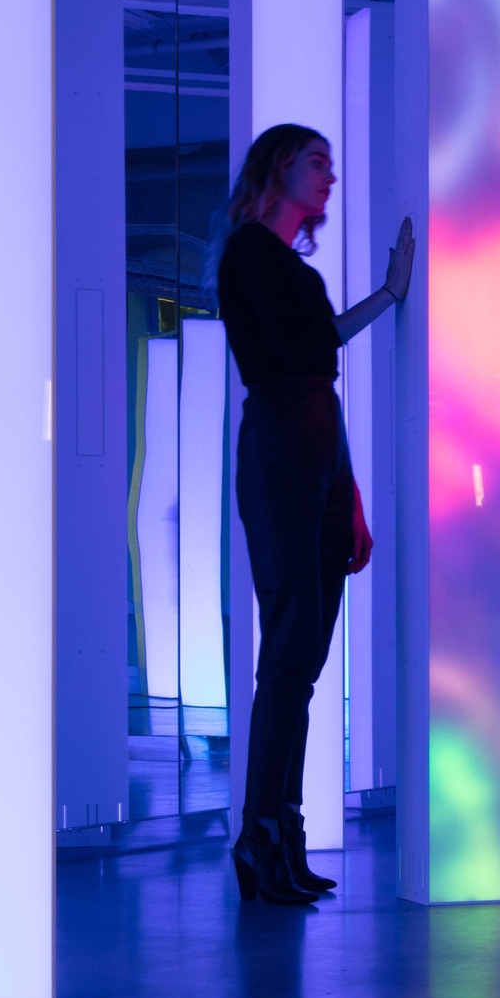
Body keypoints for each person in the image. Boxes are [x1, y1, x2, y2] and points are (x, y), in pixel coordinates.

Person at [213, 123, 413, 908]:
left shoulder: (287, 261)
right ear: (278, 169)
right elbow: (306, 353)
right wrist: (389, 297)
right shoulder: (250, 254)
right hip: (282, 448)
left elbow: (318, 375)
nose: (330, 175)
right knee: (290, 656)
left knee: (304, 659)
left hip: (314, 445)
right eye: (316, 163)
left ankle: (279, 835)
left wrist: (351, 491)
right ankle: (264, 837)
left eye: (332, 162)